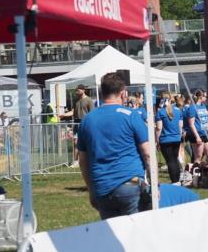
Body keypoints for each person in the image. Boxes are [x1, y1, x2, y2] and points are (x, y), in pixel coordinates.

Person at [76, 72, 153, 219]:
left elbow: (83, 161)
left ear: (101, 92)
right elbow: (147, 153)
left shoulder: (87, 120)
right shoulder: (131, 115)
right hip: (130, 184)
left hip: (102, 187)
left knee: (112, 236)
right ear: (123, 93)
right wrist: (154, 185)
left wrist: (91, 190)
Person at [155, 91, 183, 183]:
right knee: (174, 159)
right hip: (176, 139)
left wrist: (157, 140)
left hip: (165, 139)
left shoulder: (160, 112)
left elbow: (159, 128)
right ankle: (177, 180)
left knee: (170, 161)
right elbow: (180, 126)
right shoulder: (178, 111)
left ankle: (175, 181)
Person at [66, 84, 94, 167]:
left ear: (83, 90)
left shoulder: (89, 100)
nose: (77, 91)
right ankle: (75, 161)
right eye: (76, 90)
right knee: (75, 142)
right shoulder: (76, 100)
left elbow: (92, 113)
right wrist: (63, 115)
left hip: (86, 123)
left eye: (78, 90)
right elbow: (73, 112)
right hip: (76, 123)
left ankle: (89, 160)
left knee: (87, 142)